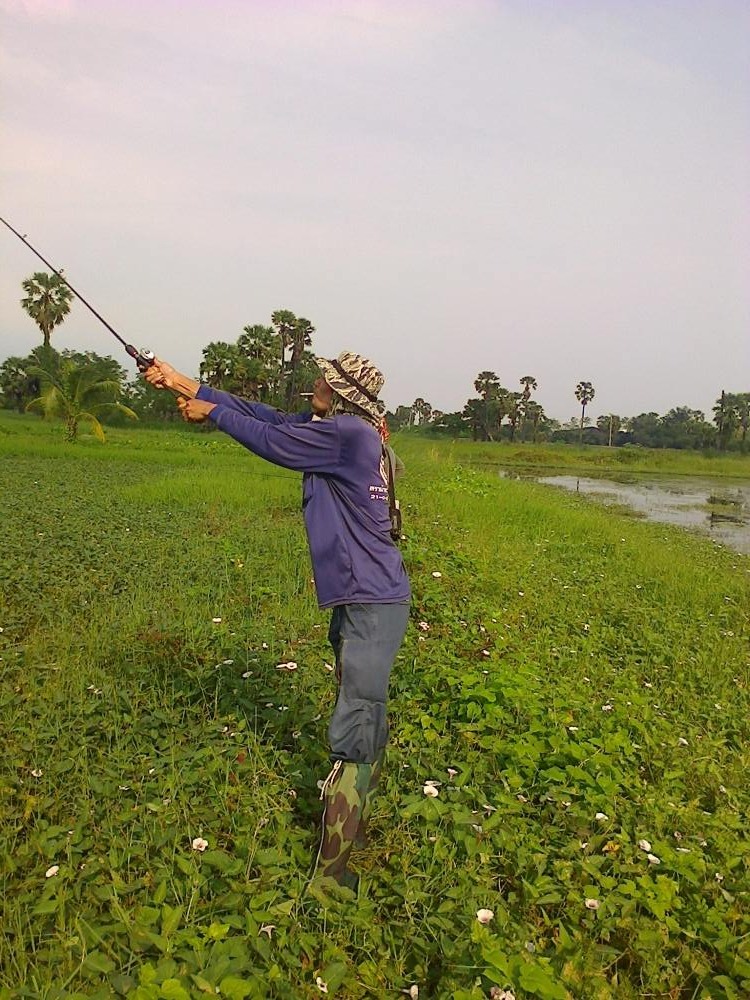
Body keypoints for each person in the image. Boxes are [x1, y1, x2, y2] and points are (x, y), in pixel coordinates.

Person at [144, 352, 410, 891]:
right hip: (365, 600)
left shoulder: (348, 438)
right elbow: (262, 414)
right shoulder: (350, 433)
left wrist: (209, 413)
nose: (317, 382)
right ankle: (352, 825)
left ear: (343, 394)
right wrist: (182, 383)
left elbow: (271, 442)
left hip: (373, 604)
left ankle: (332, 878)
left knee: (358, 727)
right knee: (364, 717)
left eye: (327, 379)